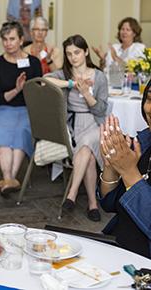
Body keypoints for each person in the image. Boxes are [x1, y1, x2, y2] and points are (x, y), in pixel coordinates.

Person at [45, 34, 108, 222]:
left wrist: (86, 93)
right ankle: (92, 203)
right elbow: (45, 79)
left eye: (77, 52)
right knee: (87, 154)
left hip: (95, 124)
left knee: (88, 142)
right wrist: (72, 83)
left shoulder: (99, 76)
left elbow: (101, 109)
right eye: (69, 53)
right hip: (74, 127)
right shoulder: (64, 74)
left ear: (86, 52)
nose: (73, 57)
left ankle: (71, 194)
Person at [99, 80, 151, 258]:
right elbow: (110, 204)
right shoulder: (144, 143)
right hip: (116, 245)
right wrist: (111, 166)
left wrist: (130, 173)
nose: (150, 109)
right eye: (150, 99)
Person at [0, 21, 42, 195]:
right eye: (4, 39)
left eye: (12, 39)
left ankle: (8, 179)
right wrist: (17, 89)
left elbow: (38, 93)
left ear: (21, 40)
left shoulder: (33, 63)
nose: (8, 43)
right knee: (1, 129)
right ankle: (9, 178)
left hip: (28, 109)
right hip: (5, 108)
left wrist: (26, 88)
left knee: (21, 130)